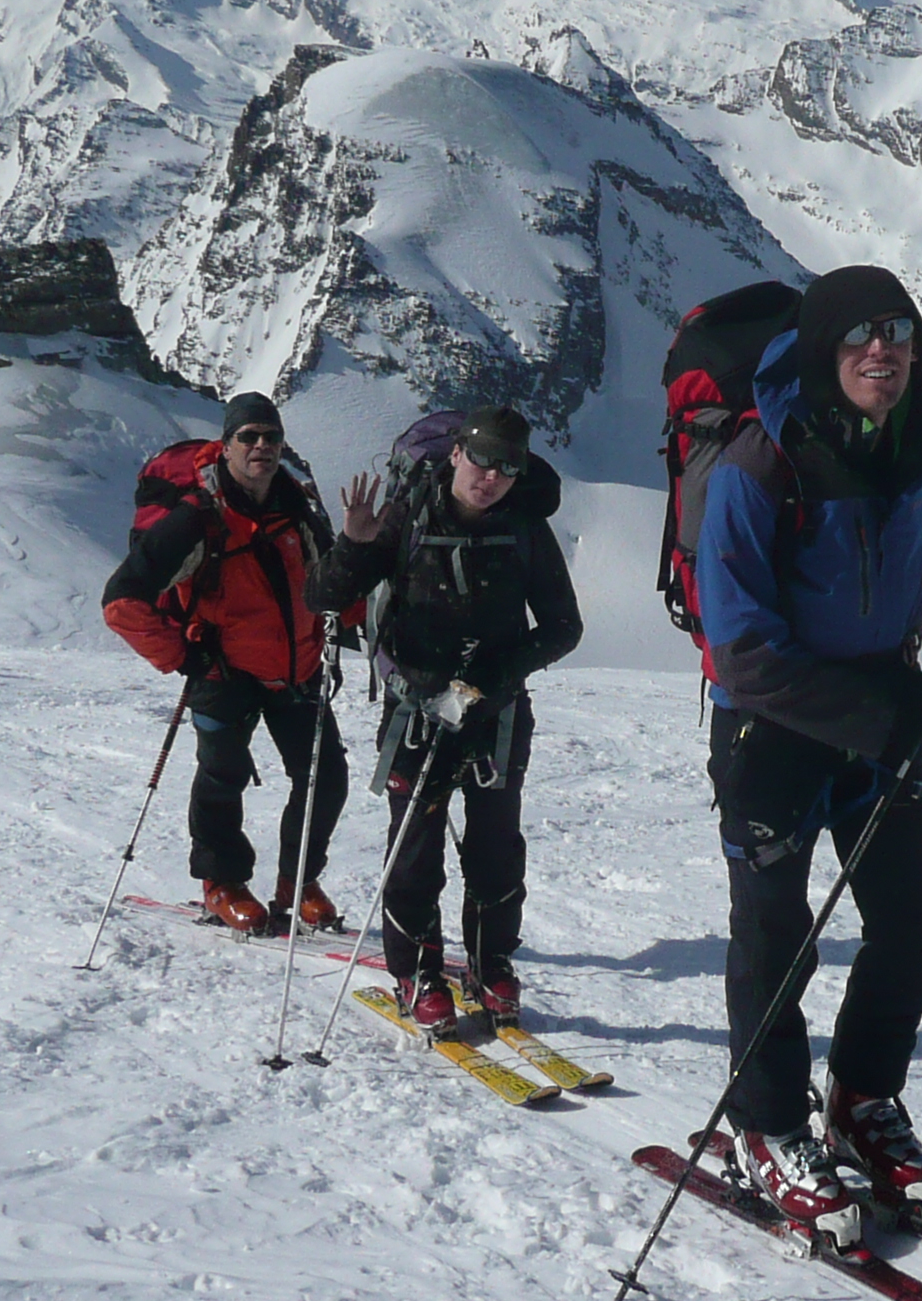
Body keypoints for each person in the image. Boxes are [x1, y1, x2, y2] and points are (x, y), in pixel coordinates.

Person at [693, 265, 922, 1247]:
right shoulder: (756, 464)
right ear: (823, 349)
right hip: (767, 727)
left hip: (871, 717)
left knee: (914, 919)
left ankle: (860, 1099)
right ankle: (767, 1125)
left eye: (898, 331)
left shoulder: (920, 444)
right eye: (860, 335)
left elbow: (912, 570)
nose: (883, 350)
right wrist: (877, 712)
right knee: (776, 939)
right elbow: (742, 646)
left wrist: (912, 684)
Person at [314, 405, 583, 1029]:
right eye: (482, 459)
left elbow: (564, 626)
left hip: (496, 713)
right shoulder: (405, 518)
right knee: (414, 847)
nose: (490, 477)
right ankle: (417, 972)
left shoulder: (523, 528)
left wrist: (488, 680)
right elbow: (323, 598)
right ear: (458, 453)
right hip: (416, 708)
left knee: (495, 846)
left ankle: (492, 965)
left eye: (507, 467)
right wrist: (352, 546)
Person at [101, 392, 349, 936]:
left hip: (298, 669)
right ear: (227, 444)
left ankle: (297, 881)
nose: (261, 447)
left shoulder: (297, 505)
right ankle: (222, 883)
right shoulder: (199, 517)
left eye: (271, 437)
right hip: (223, 672)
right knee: (222, 778)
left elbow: (331, 584)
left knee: (326, 777)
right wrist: (184, 655)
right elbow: (122, 601)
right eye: (249, 437)